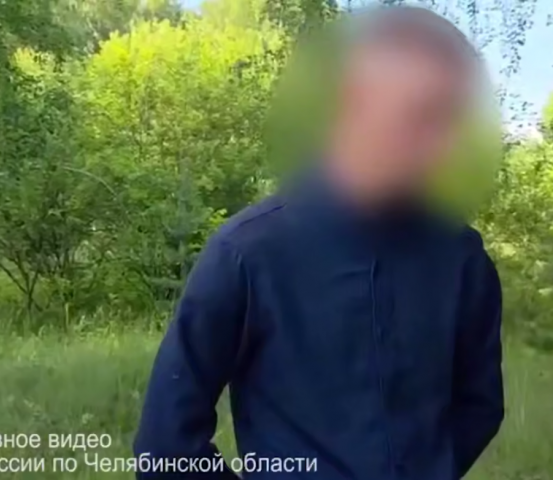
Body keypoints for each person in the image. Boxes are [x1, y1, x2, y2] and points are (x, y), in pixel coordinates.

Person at [133, 6, 504, 480]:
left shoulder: (462, 260)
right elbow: (166, 445)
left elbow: (479, 404)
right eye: (424, 116)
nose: (445, 148)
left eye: (453, 121)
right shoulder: (247, 253)